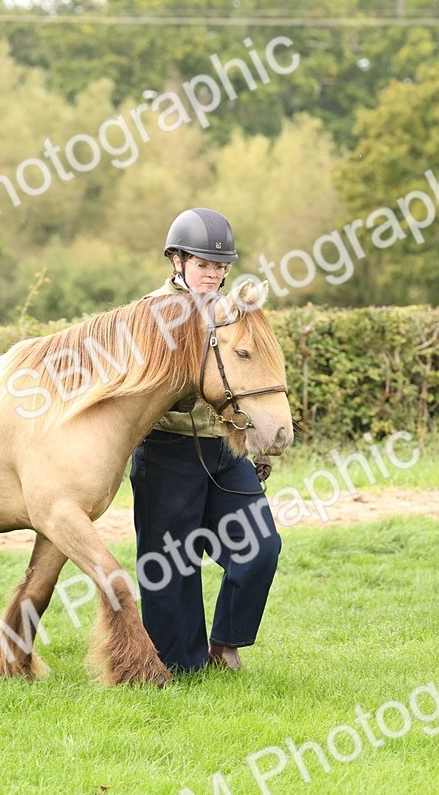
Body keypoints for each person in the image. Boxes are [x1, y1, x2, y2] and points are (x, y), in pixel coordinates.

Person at [130, 207, 282, 674]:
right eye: (202, 263)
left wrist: (254, 431)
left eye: (219, 266)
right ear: (176, 260)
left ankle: (226, 643)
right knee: (171, 569)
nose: (212, 273)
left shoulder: (235, 311)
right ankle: (180, 665)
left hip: (223, 451)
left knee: (261, 547)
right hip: (166, 456)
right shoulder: (149, 315)